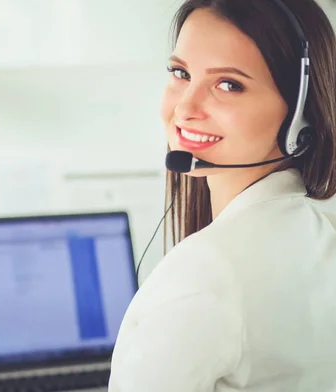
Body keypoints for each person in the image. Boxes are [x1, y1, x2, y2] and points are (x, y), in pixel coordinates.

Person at [109, 0, 336, 391]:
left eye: (228, 84)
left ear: (300, 115)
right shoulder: (321, 234)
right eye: (181, 73)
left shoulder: (205, 273)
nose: (185, 107)